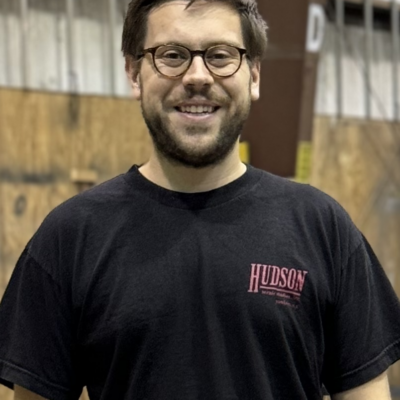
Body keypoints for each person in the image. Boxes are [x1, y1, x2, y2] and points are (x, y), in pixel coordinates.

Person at [1, 0, 400, 399]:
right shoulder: (70, 237)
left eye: (220, 56)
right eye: (171, 55)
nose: (197, 76)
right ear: (133, 73)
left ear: (254, 75)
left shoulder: (322, 227)